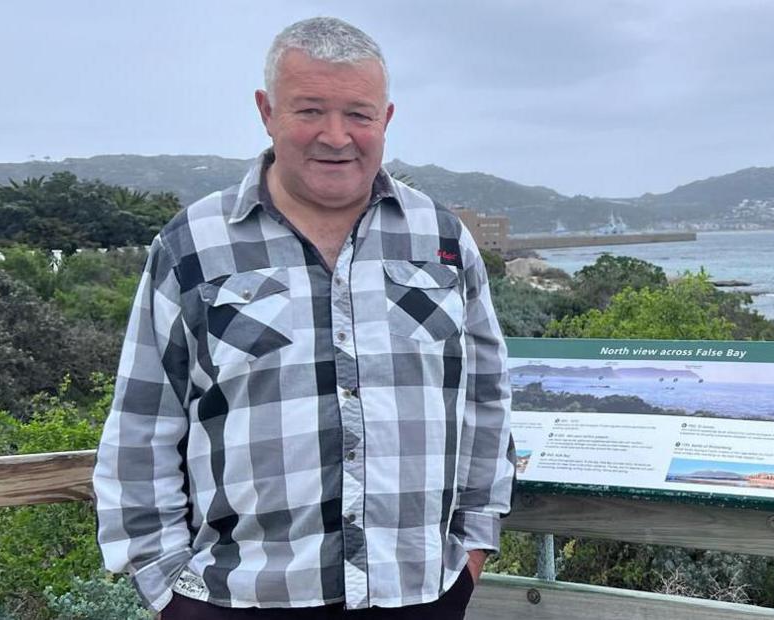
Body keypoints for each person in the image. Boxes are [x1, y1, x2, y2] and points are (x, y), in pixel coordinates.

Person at [92, 16, 514, 619]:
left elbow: (486, 402)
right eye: (309, 110)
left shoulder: (442, 239)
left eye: (359, 115)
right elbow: (141, 424)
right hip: (238, 598)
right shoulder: (192, 246)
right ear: (267, 112)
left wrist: (472, 549)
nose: (336, 136)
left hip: (418, 594)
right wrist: (165, 590)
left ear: (386, 120)